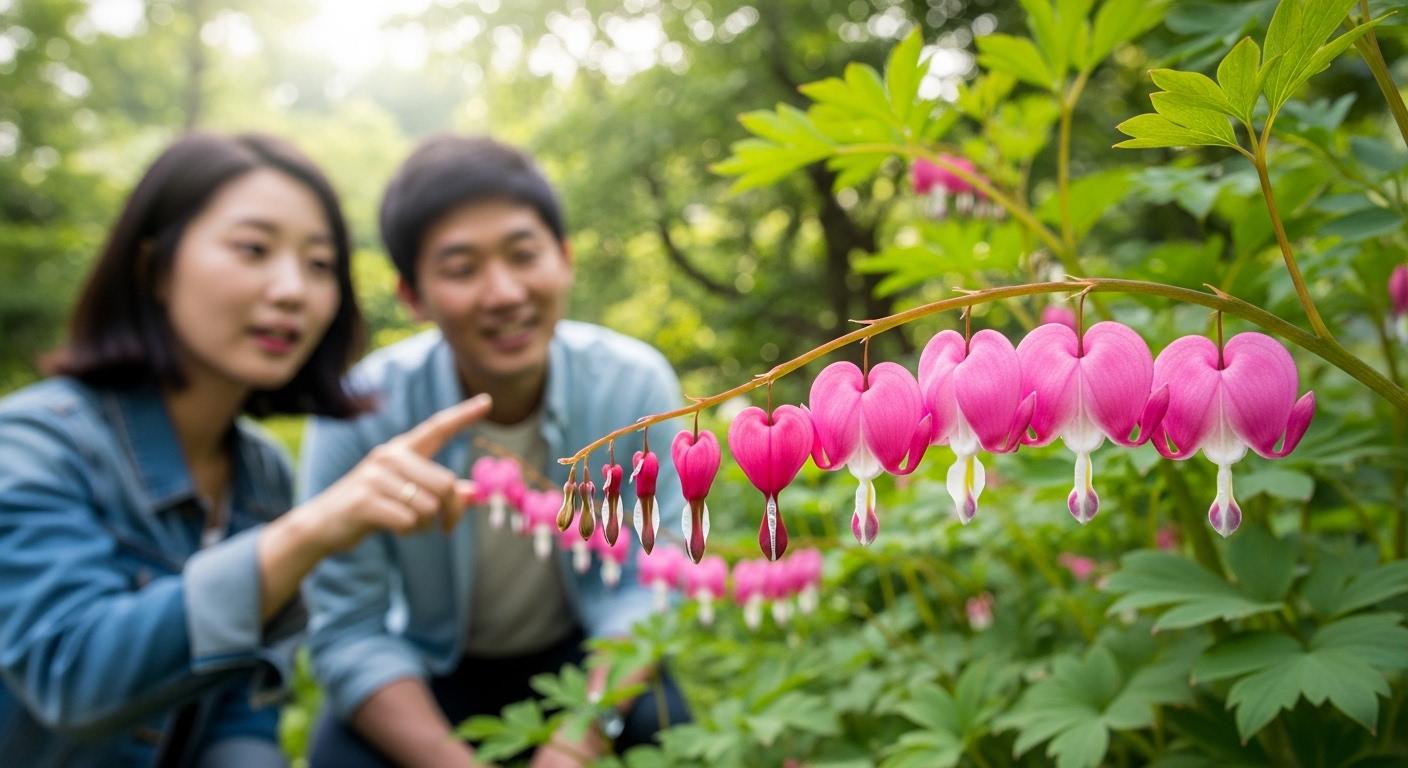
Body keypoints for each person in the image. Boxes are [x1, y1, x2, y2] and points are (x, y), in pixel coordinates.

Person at [0, 133, 493, 767]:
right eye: (253, 250)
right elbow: (71, 675)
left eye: (319, 265)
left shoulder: (257, 472)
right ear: (154, 268)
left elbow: (244, 704)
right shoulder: (34, 444)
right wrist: (304, 533)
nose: (292, 290)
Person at [302, 135, 691, 768]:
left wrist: (576, 743)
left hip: (584, 649)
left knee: (660, 728)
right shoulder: (360, 412)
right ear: (413, 296)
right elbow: (348, 627)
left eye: (523, 254)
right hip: (427, 667)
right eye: (461, 269)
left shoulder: (632, 386)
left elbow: (651, 580)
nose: (504, 292)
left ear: (564, 259)